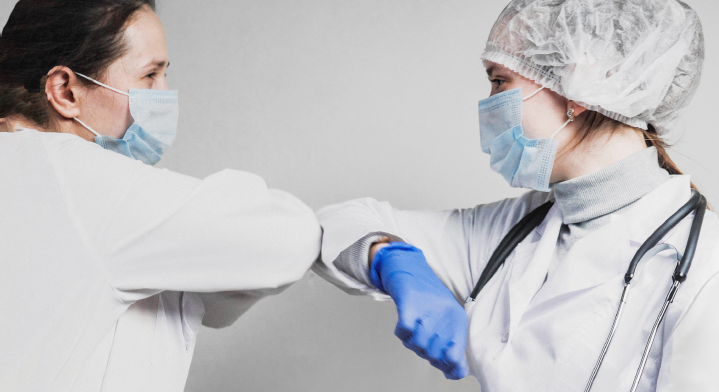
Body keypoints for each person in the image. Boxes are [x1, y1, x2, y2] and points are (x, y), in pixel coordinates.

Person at [313, 0, 719, 390]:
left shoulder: (704, 265)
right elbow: (337, 223)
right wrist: (392, 259)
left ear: (583, 84)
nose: (490, 104)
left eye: (499, 80)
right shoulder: (517, 227)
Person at [0, 1, 321, 391]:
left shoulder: (23, 168)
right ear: (65, 91)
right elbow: (289, 239)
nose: (164, 94)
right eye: (150, 75)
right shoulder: (81, 180)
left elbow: (210, 301)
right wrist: (365, 244)